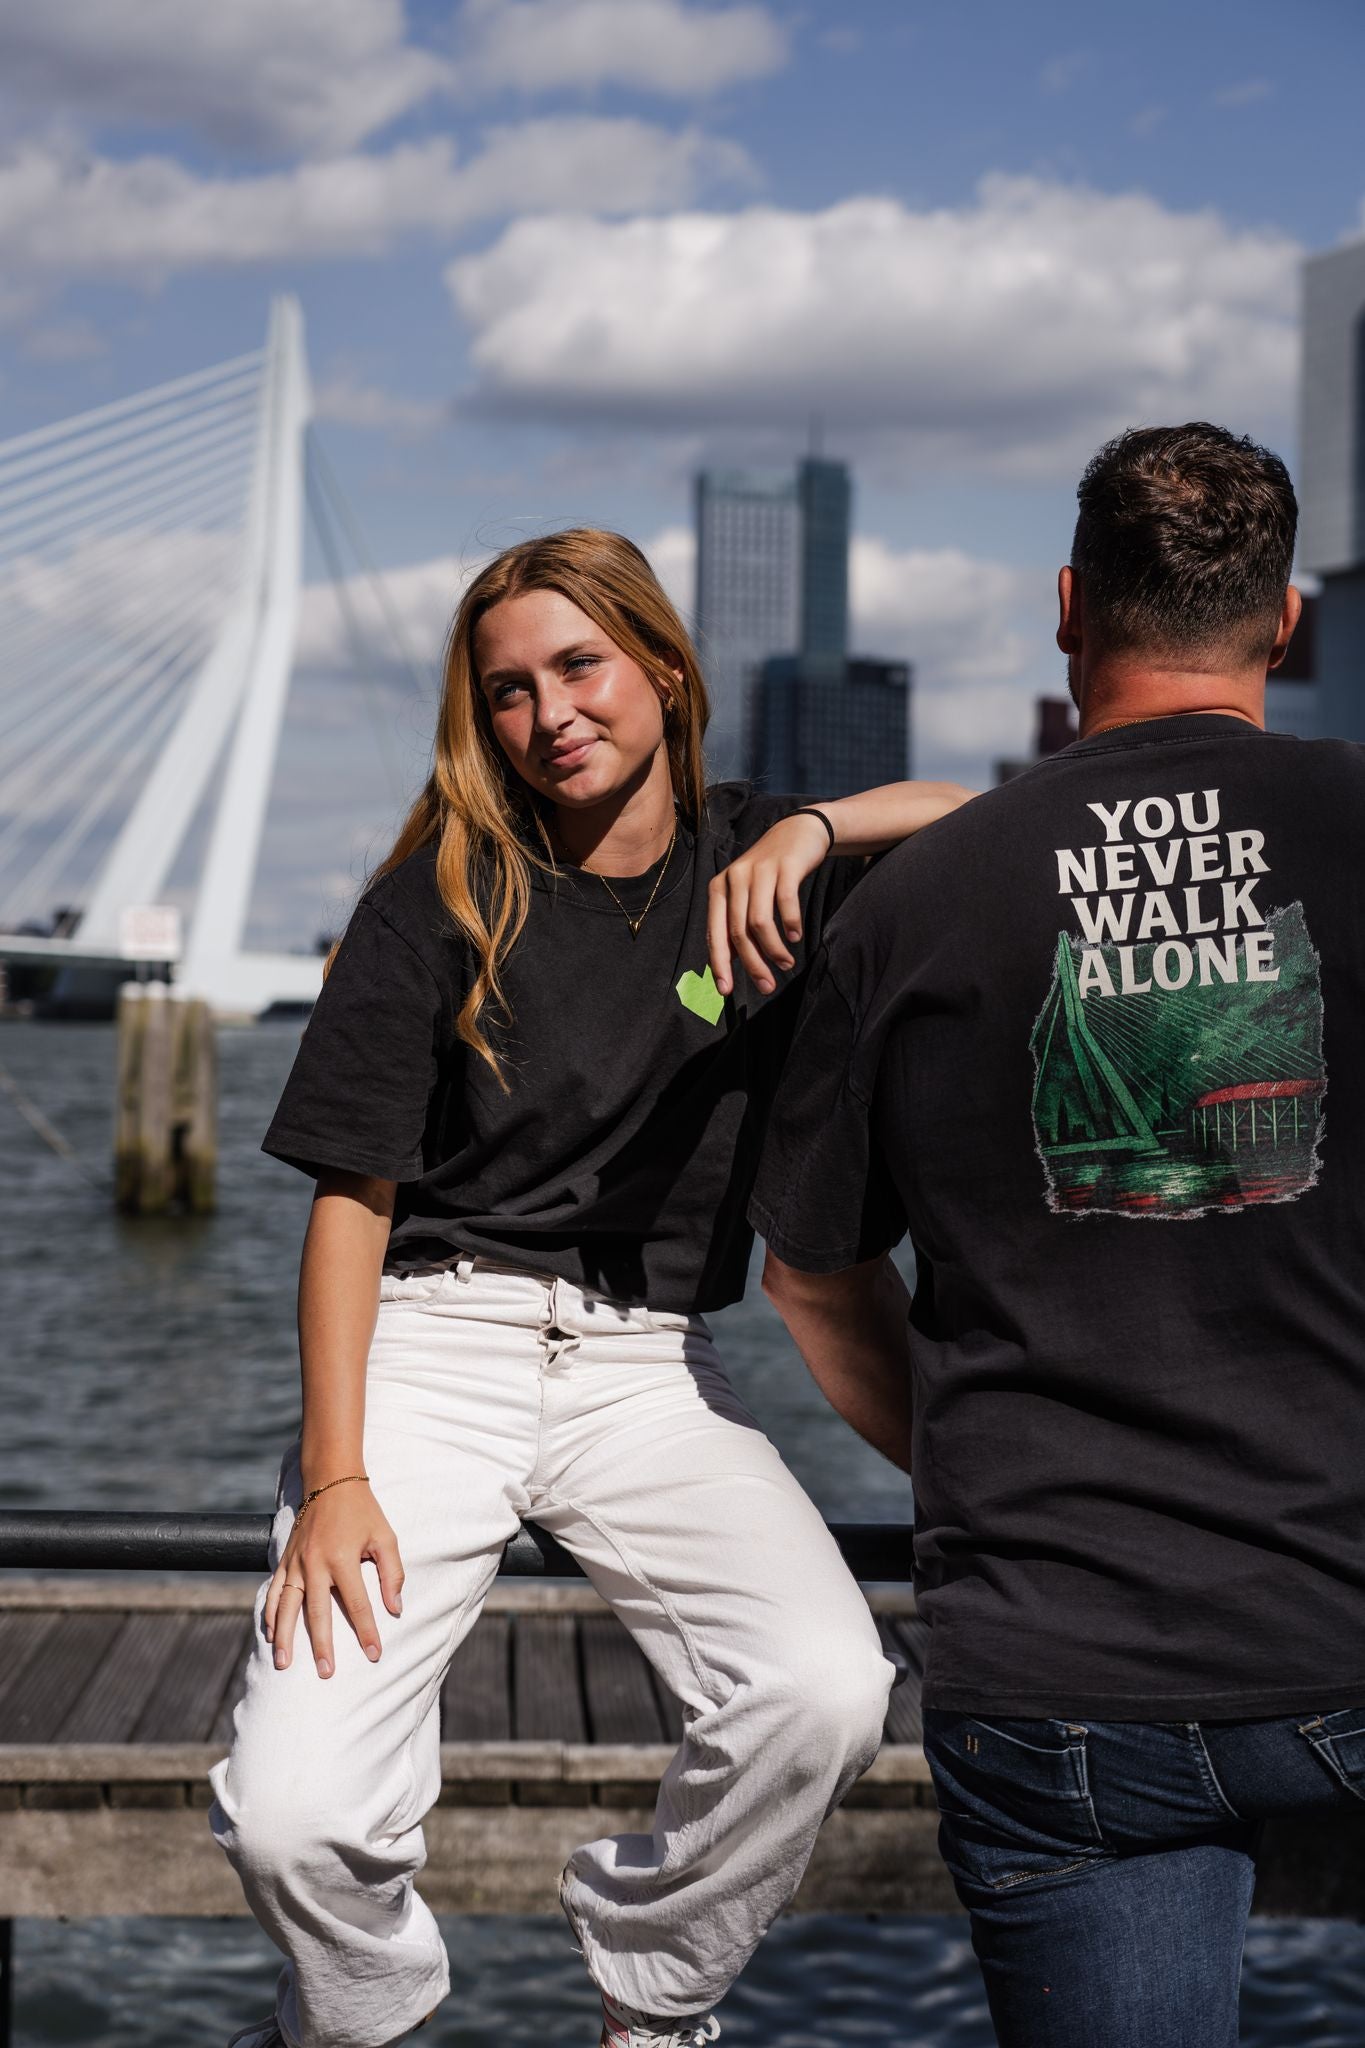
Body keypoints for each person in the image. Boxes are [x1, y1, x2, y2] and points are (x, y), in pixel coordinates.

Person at [208, 527, 973, 2048]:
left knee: (825, 1688)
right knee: (290, 1812)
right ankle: (358, 2014)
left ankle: (652, 1995)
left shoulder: (765, 859)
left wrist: (813, 830)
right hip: (430, 1348)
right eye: (508, 691)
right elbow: (351, 1205)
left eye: (580, 667)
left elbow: (985, 817)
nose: (548, 714)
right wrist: (339, 1475)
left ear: (664, 668)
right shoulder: (439, 896)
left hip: (648, 1367)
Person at [749, 423, 1365, 2048]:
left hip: (1063, 1657)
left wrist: (981, 1461)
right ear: (1284, 619)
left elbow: (808, 1281)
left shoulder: (910, 901)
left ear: (1067, 607)